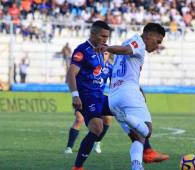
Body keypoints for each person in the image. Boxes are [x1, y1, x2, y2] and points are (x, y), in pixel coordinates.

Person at [96, 23, 169, 170]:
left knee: (137, 137)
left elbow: (124, 63)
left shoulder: (128, 42)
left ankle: (137, 166)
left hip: (114, 96)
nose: (157, 46)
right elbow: (126, 50)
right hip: (128, 93)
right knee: (147, 130)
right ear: (149, 35)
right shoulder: (138, 42)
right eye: (158, 41)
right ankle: (125, 116)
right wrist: (108, 48)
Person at [67, 20, 112, 170]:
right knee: (96, 128)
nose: (106, 40)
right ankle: (77, 167)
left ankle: (146, 150)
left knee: (127, 108)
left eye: (107, 37)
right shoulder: (82, 50)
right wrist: (75, 95)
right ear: (93, 34)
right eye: (103, 36)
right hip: (87, 96)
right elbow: (71, 73)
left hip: (100, 95)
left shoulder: (101, 51)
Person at [64, 52, 113, 155]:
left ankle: (97, 142)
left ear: (109, 55)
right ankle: (69, 147)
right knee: (79, 119)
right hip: (85, 96)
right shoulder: (91, 63)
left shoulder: (110, 68)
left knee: (108, 118)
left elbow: (113, 84)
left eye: (106, 53)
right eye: (102, 53)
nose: (104, 55)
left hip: (99, 98)